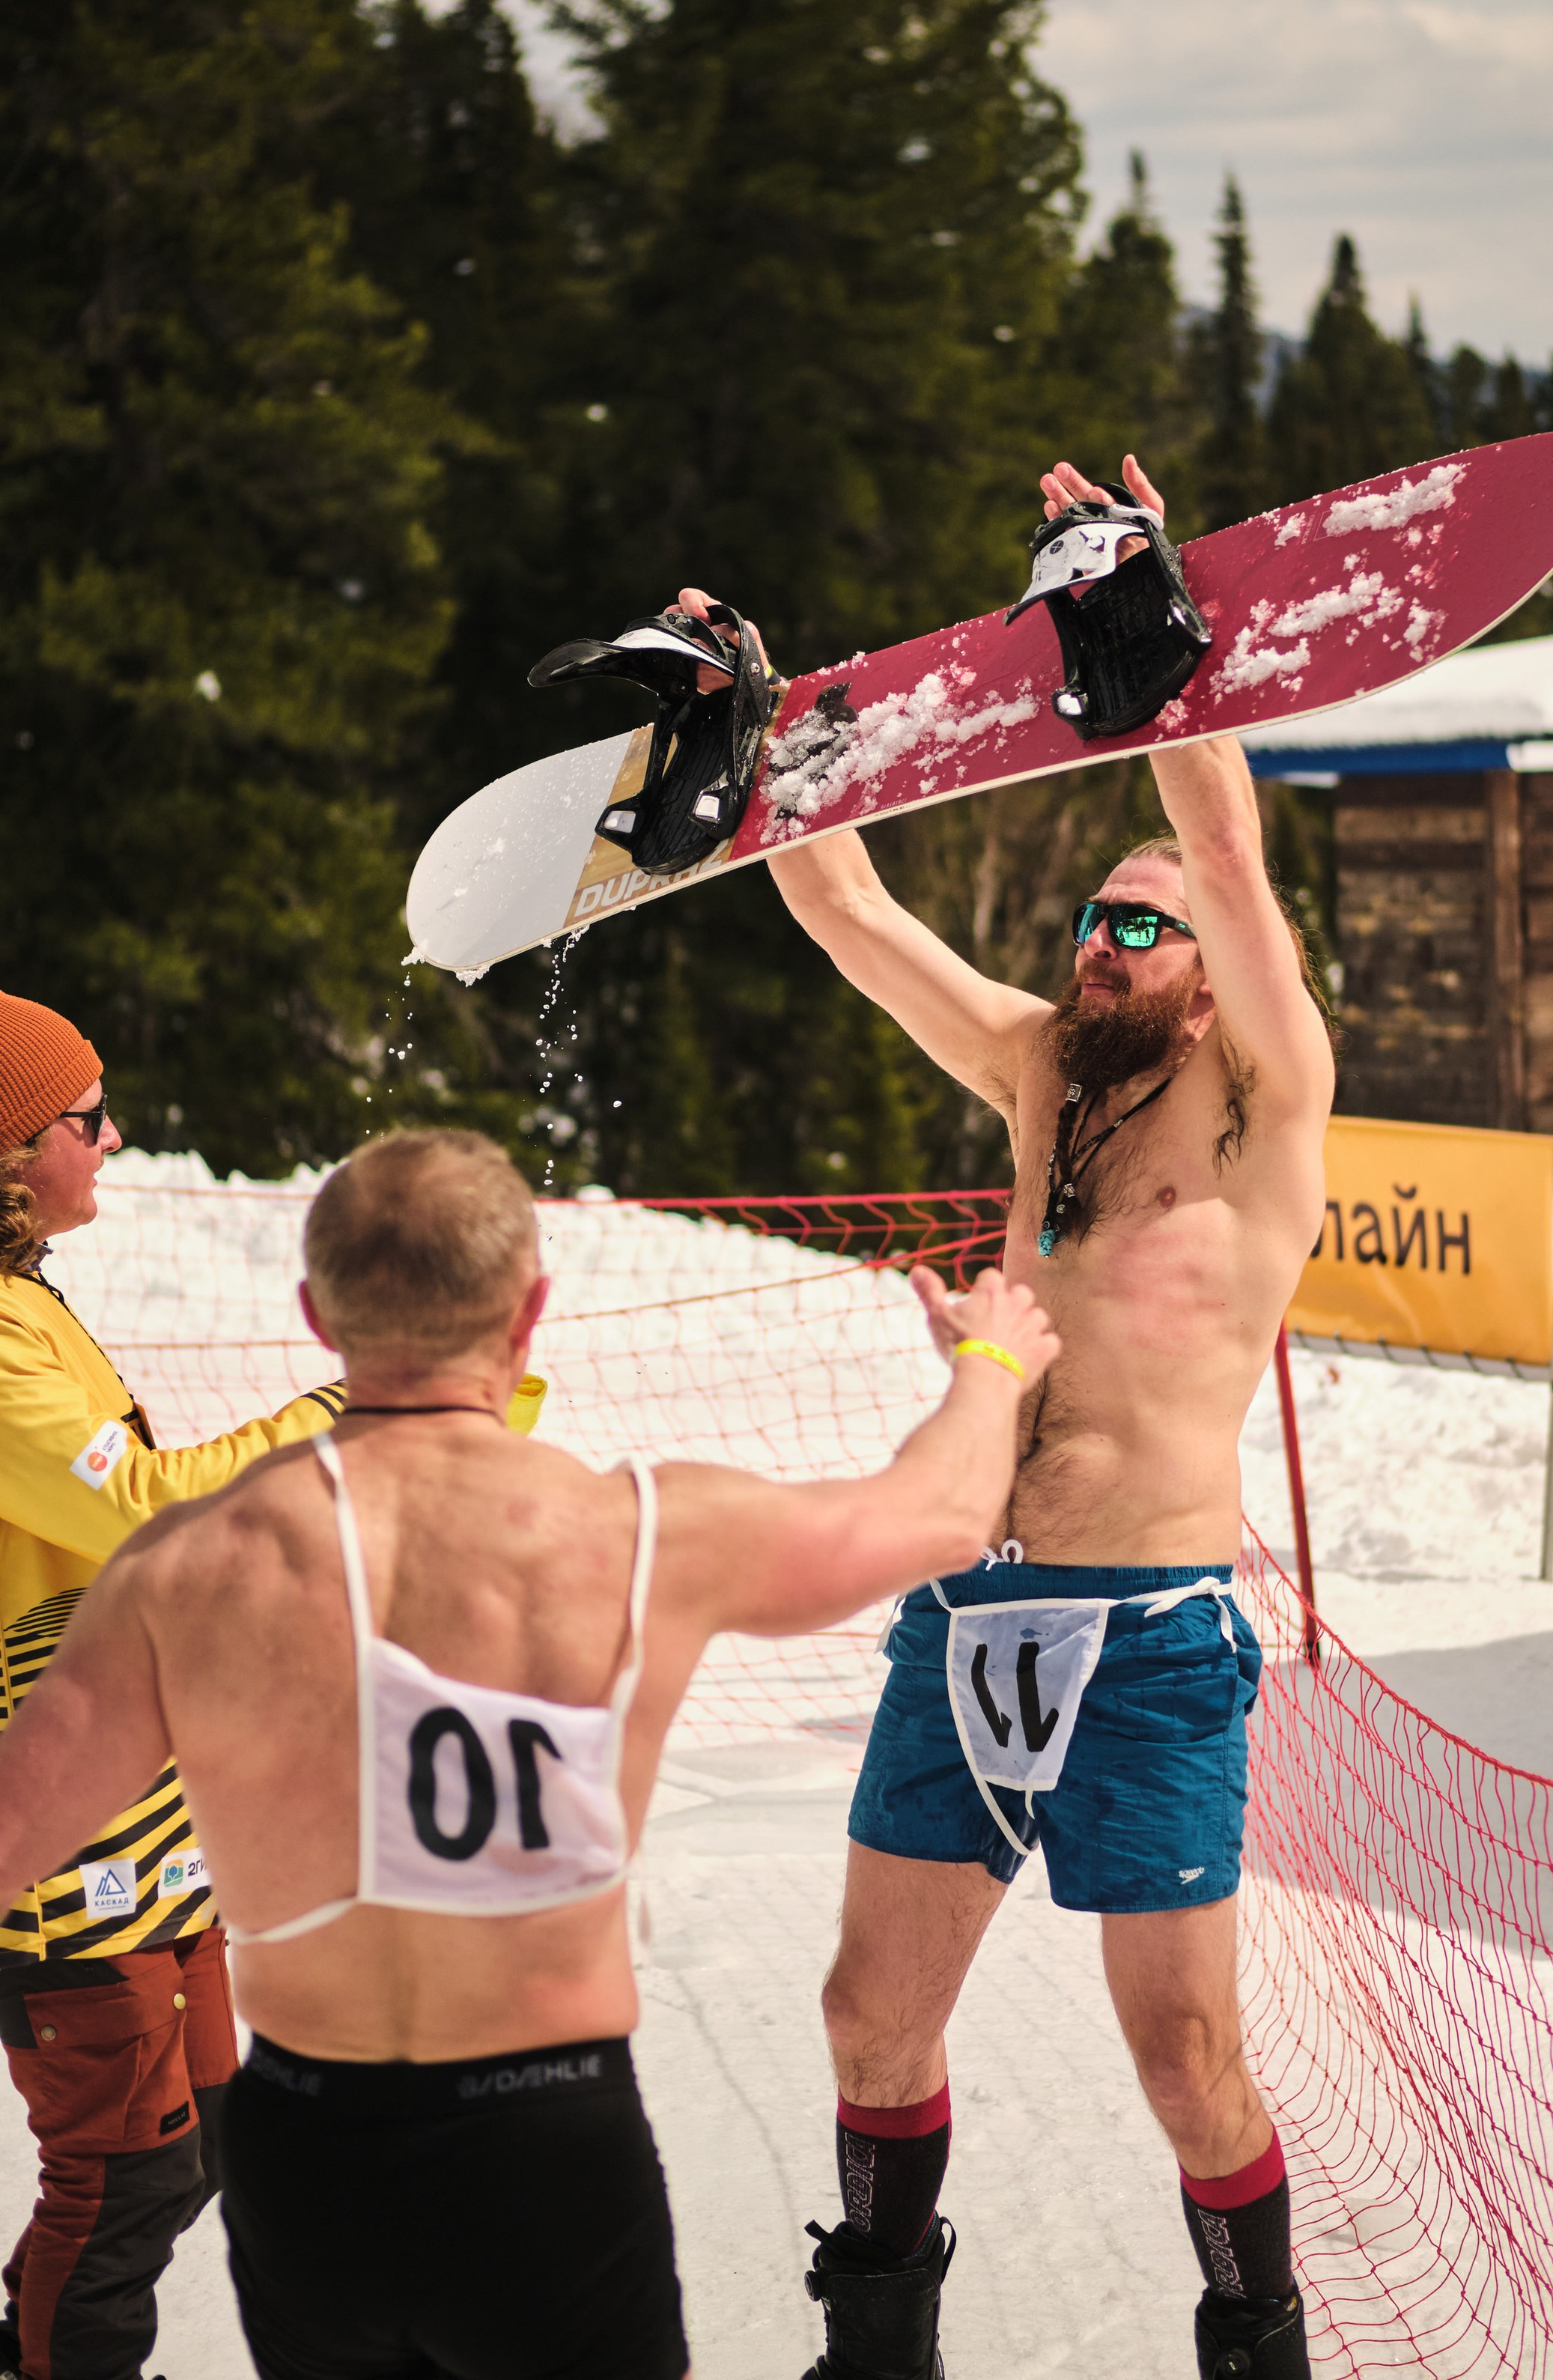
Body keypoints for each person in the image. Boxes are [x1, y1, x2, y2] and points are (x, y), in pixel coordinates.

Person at [0, 1125, 1057, 2380]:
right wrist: (990, 1369)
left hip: (309, 2149)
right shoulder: (633, 1533)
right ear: (531, 1309)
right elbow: (932, 1517)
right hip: (546, 2140)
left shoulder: (186, 1568)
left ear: (315, 1315)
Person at [676, 451, 1335, 2380]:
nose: (1097, 946)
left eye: (1134, 932)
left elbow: (1219, 850)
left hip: (1150, 1641)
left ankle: (1257, 2345)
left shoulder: (1261, 1104)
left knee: (1182, 2057)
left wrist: (1139, 639)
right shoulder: (1043, 1069)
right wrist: (763, 728)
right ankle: (878, 2350)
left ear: (1211, 986)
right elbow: (854, 919)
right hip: (969, 1617)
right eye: (1085, 921)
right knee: (866, 2023)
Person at [0, 991, 368, 2380]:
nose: (113, 1136)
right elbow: (143, 1507)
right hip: (56, 1825)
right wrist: (348, 1415)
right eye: (82, 1118)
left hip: (142, 1807)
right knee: (121, 2179)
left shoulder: (27, 1293)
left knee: (203, 2136)